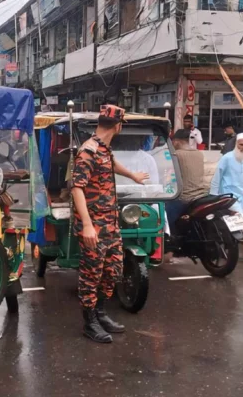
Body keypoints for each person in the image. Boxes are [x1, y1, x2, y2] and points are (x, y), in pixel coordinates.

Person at [71, 105, 149, 343]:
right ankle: (89, 322)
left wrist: (133, 176)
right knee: (91, 275)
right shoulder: (88, 151)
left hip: (111, 224)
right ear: (118, 126)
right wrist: (86, 225)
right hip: (94, 225)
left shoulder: (104, 149)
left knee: (113, 271)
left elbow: (111, 165)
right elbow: (77, 188)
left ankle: (101, 313)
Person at [210, 133, 243, 260]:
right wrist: (213, 196)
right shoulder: (227, 158)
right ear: (236, 144)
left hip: (241, 196)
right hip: (227, 195)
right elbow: (217, 177)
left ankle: (227, 247)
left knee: (232, 222)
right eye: (241, 145)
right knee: (240, 220)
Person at [166, 129, 205, 232]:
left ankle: (170, 239)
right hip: (201, 195)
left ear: (176, 141)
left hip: (184, 198)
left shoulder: (176, 155)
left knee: (163, 216)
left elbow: (168, 176)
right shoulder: (199, 154)